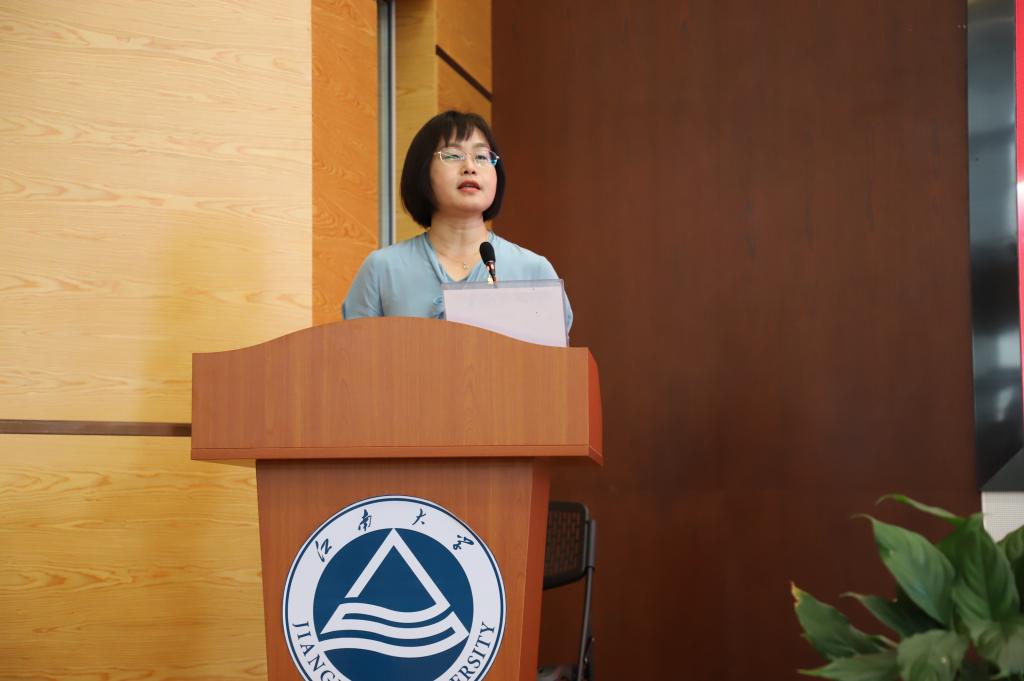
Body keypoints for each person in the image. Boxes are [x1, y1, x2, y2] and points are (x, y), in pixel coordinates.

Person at [342, 110, 572, 329]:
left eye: (481, 156)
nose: (470, 167)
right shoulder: (382, 269)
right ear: (423, 170)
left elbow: (554, 355)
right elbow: (354, 351)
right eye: (453, 155)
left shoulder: (533, 271)